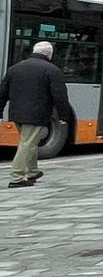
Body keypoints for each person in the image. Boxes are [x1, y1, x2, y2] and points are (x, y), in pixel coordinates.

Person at [1, 42, 72, 188]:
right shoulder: (52, 70)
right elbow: (60, 96)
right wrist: (64, 116)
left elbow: (3, 92)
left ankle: (32, 171)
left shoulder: (15, 68)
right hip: (37, 114)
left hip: (16, 113)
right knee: (27, 143)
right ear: (49, 54)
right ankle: (17, 176)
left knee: (29, 142)